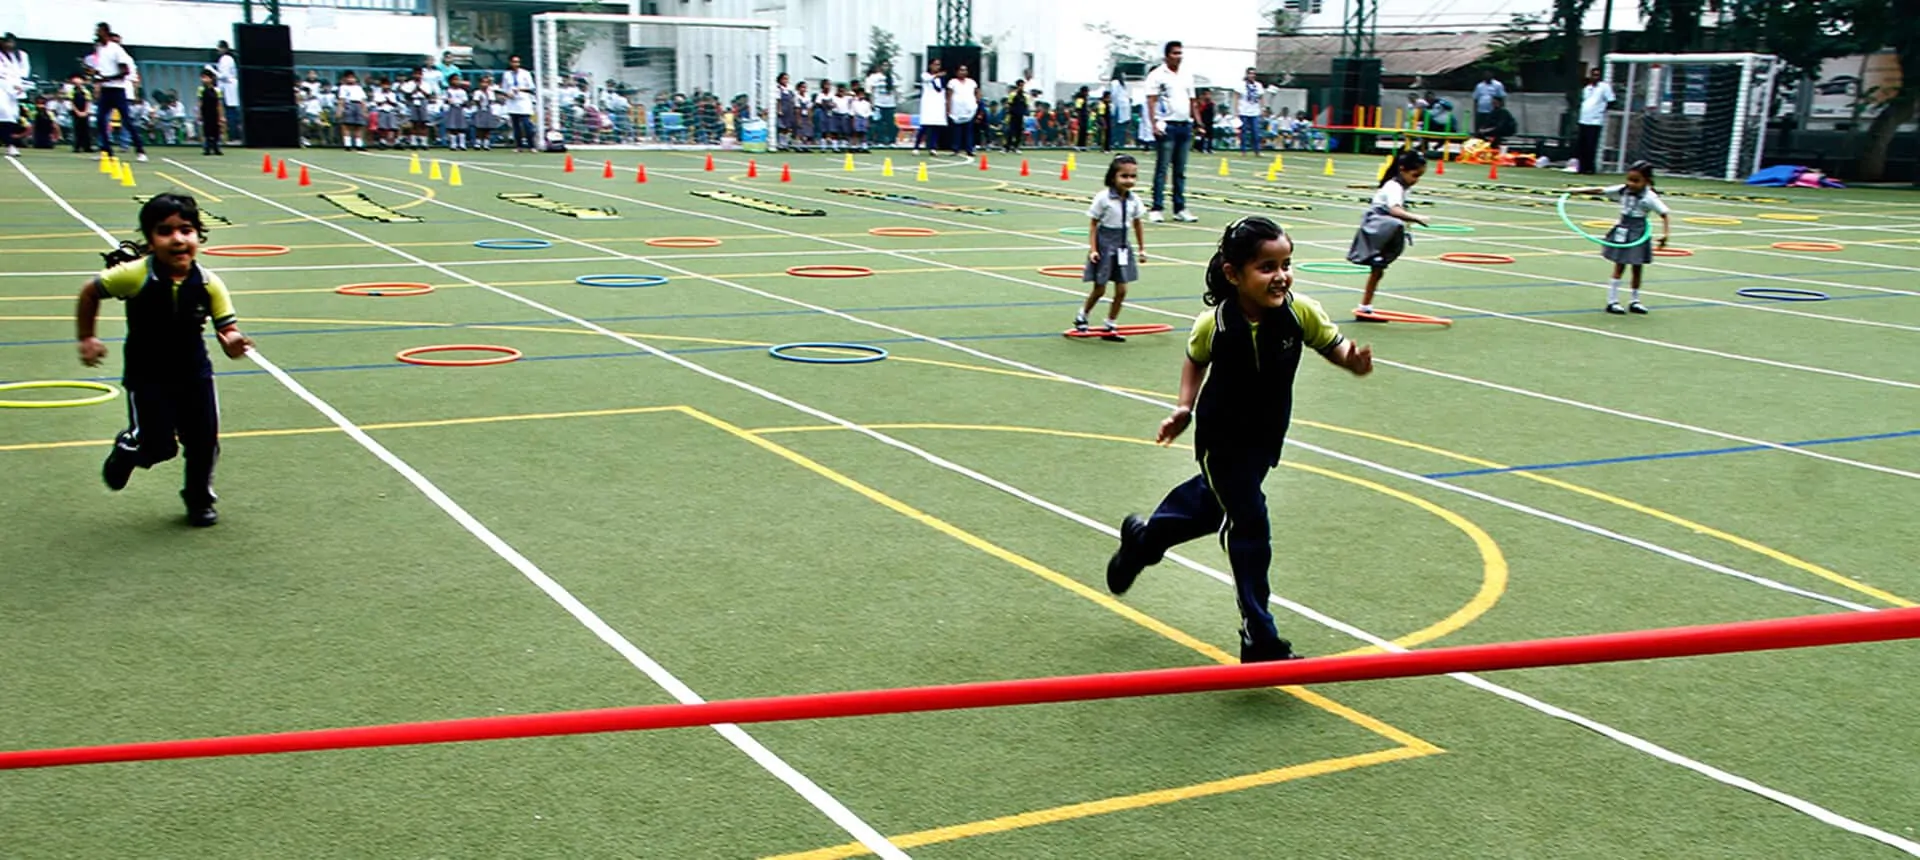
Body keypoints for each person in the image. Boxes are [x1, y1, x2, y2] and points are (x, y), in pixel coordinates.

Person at [1106, 216, 1373, 663]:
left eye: (1286, 264)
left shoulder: (1300, 312)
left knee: (1212, 508)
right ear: (1233, 274)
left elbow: (1333, 345)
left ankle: (1144, 542)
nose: (1281, 276)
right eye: (1266, 267)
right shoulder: (1215, 323)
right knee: (1248, 522)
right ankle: (1259, 635)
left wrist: (1355, 362)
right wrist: (1184, 407)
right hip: (1221, 438)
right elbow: (1195, 360)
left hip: (1265, 438)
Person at [76, 194, 255, 527]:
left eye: (185, 230)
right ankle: (129, 448)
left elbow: (227, 328)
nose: (177, 239)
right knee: (159, 447)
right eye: (165, 231)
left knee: (204, 440)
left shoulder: (208, 283)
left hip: (194, 374)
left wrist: (233, 342)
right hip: (147, 375)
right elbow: (90, 292)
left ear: (197, 235)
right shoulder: (134, 275)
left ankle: (198, 498)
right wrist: (87, 337)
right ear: (150, 238)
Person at [1568, 160, 1671, 314]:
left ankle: (1635, 300)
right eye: (1629, 179)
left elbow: (1664, 214)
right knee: (1620, 265)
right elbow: (1600, 190)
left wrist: (1665, 236)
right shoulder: (1623, 190)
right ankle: (1612, 301)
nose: (1630, 183)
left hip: (1639, 230)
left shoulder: (1650, 197)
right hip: (1623, 228)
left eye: (1636, 181)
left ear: (1647, 181)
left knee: (1637, 267)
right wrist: (1577, 191)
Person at [1346, 150, 1431, 318]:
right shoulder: (1394, 187)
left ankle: (1365, 307)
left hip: (1386, 227)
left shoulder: (1403, 187)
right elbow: (1395, 209)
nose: (1416, 181)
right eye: (1415, 175)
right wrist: (1416, 218)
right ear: (1402, 169)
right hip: (1376, 224)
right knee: (1397, 224)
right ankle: (1373, 256)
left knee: (1378, 270)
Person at [1076, 154, 1149, 340]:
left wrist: (1142, 248)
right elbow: (1093, 224)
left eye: (1133, 176)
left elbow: (1138, 224)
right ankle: (1082, 315)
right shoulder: (1103, 198)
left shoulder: (1134, 200)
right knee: (1099, 289)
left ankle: (1110, 323)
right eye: (1124, 176)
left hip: (1123, 245)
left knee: (1122, 290)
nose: (1129, 181)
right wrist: (1093, 249)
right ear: (1113, 177)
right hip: (1105, 244)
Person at [1144, 41, 1200, 223]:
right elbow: (1151, 101)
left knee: (1180, 170)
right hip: (1166, 124)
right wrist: (1153, 125)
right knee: (1162, 168)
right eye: (1175, 53)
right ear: (1167, 55)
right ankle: (1157, 207)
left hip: (1184, 125)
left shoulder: (1187, 75)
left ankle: (1180, 208)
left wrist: (1198, 122)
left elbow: (1192, 101)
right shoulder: (1157, 75)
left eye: (1180, 53)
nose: (1178, 56)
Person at [88, 24, 146, 162]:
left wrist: (105, 78)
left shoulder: (116, 50)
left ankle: (140, 150)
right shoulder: (100, 49)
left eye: (99, 31)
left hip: (118, 90)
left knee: (126, 120)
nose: (96, 34)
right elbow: (103, 70)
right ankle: (106, 152)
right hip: (106, 89)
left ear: (105, 33)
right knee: (101, 120)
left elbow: (124, 72)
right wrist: (95, 73)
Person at [1575, 67, 1614, 174]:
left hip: (1595, 121)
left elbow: (1611, 100)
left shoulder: (1604, 87)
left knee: (1591, 145)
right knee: (1581, 145)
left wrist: (1601, 111)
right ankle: (1581, 167)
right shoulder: (1587, 88)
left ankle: (1590, 168)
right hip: (1584, 119)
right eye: (1593, 75)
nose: (1595, 77)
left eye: (1597, 75)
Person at [0, 33, 28, 158]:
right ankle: (10, 144)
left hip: (16, 88)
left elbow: (24, 72)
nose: (8, 44)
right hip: (2, 86)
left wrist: (19, 84)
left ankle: (10, 142)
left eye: (10, 42)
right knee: (4, 112)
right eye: (6, 42)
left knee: (13, 115)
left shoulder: (21, 55)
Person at [502, 55, 537, 152]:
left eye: (517, 62)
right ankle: (519, 146)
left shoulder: (525, 73)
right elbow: (504, 88)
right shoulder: (507, 74)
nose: (515, 64)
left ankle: (531, 145)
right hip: (512, 102)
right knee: (515, 125)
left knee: (526, 124)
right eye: (514, 62)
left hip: (523, 101)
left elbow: (531, 88)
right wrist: (507, 94)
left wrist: (520, 89)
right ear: (510, 63)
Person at [914, 57, 945, 155]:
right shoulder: (925, 75)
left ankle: (933, 147)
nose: (937, 67)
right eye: (935, 64)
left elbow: (941, 90)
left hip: (938, 103)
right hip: (928, 103)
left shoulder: (940, 78)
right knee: (925, 126)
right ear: (930, 65)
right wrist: (937, 75)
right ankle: (916, 146)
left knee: (936, 126)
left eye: (939, 65)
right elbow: (928, 79)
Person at [946, 64, 979, 157]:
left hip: (969, 110)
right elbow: (949, 96)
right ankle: (955, 149)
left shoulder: (971, 82)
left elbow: (977, 93)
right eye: (961, 70)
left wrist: (977, 104)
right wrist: (948, 108)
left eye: (965, 70)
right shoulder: (952, 82)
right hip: (956, 110)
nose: (963, 72)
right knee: (957, 131)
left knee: (969, 131)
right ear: (957, 72)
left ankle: (969, 149)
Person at [863, 61, 896, 147]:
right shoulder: (874, 77)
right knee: (879, 124)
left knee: (890, 123)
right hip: (878, 103)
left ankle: (891, 141)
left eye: (887, 65)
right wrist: (872, 103)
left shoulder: (892, 77)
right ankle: (879, 141)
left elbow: (895, 90)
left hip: (890, 104)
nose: (886, 67)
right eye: (884, 65)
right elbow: (870, 91)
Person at [214, 41, 240, 144]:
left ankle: (233, 136)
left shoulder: (226, 59)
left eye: (219, 48)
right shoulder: (227, 59)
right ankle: (233, 135)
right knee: (230, 112)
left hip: (229, 87)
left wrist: (212, 71)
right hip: (227, 88)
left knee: (231, 113)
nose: (218, 50)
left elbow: (224, 75)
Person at [335, 70, 367, 151]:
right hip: (349, 105)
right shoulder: (343, 87)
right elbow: (341, 100)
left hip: (358, 105)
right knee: (346, 125)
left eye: (352, 78)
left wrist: (364, 111)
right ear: (345, 79)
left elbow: (363, 100)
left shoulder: (359, 88)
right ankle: (347, 144)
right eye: (348, 78)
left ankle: (359, 144)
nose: (351, 79)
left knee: (359, 126)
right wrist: (340, 110)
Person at [1471, 69, 1506, 138]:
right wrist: (1475, 111)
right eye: (1485, 74)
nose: (1487, 76)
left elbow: (1502, 97)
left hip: (1492, 111)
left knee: (1492, 129)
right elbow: (1476, 99)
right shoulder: (1479, 86)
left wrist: (1501, 110)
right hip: (1481, 111)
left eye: (1489, 74)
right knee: (1480, 129)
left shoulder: (1498, 85)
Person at [1237, 68, 1264, 155]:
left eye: (1253, 74)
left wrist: (1262, 108)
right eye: (1250, 74)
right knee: (1243, 132)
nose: (1252, 75)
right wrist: (1236, 110)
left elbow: (1261, 97)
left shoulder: (1258, 85)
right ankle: (1243, 150)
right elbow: (1236, 97)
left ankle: (1257, 150)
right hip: (1243, 111)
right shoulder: (1241, 85)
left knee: (1255, 131)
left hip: (1254, 111)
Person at [197, 66, 222, 155]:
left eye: (206, 77)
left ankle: (216, 148)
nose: (204, 79)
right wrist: (199, 114)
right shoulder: (201, 89)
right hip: (205, 113)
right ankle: (207, 148)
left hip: (214, 113)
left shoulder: (217, 90)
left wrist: (221, 116)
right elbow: (200, 102)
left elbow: (219, 104)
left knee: (215, 131)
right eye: (202, 77)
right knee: (206, 131)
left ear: (211, 78)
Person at [1107, 71, 1132, 151]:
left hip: (1122, 107)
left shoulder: (1120, 83)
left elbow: (1115, 95)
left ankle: (1119, 142)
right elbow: (1114, 95)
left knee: (1120, 126)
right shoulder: (1116, 83)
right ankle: (1115, 142)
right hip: (1119, 107)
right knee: (1117, 126)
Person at [68, 74, 93, 153]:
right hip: (76, 113)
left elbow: (88, 102)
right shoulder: (72, 92)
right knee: (77, 130)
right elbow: (72, 103)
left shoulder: (86, 92)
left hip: (85, 112)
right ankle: (77, 147)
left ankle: (87, 147)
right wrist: (77, 112)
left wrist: (86, 111)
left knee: (86, 130)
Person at [1003, 79, 1028, 153]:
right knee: (1010, 131)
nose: (1021, 87)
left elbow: (1026, 106)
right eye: (1020, 85)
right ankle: (1006, 147)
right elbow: (1009, 105)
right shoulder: (1012, 95)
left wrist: (1024, 113)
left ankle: (1016, 147)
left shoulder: (1025, 96)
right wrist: (1009, 113)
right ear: (1017, 86)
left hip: (1020, 117)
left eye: (1022, 85)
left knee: (1019, 132)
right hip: (1012, 116)